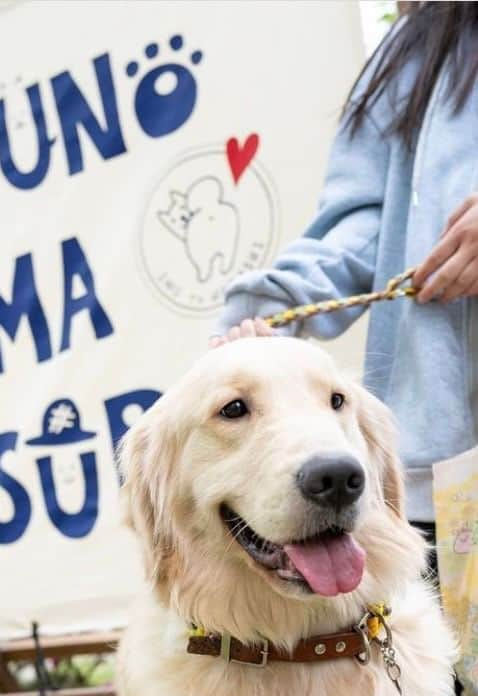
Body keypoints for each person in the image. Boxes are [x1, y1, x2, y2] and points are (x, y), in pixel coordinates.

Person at [212, 2, 478, 549]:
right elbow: (365, 219)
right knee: (457, 636)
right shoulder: (414, 47)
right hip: (446, 464)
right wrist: (275, 306)